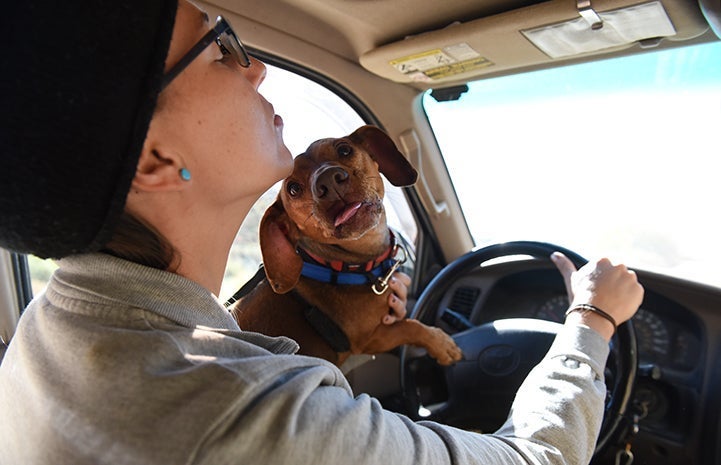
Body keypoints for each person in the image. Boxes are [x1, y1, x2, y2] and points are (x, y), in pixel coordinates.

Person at [0, 1, 644, 464]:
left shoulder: (46, 330)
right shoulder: (250, 411)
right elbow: (540, 458)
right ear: (154, 162)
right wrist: (591, 320)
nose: (252, 70)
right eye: (218, 46)